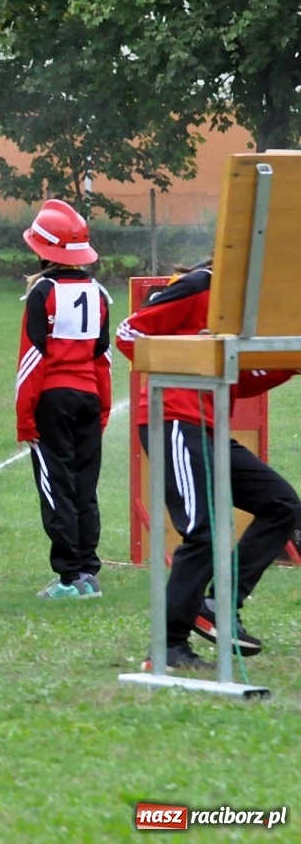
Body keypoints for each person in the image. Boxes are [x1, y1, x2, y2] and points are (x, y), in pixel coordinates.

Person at [116, 260, 301, 670]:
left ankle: (218, 604)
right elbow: (129, 334)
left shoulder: (247, 308)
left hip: (210, 427)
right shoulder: (201, 285)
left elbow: (235, 376)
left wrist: (285, 364)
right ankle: (168, 648)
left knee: (282, 504)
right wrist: (193, 349)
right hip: (174, 420)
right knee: (204, 532)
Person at [16, 198, 112, 600]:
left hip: (51, 401)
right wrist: (104, 407)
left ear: (43, 251)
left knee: (56, 487)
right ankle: (88, 570)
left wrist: (25, 419)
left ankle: (69, 578)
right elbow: (102, 357)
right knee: (84, 486)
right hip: (89, 398)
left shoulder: (43, 292)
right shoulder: (100, 293)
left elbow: (31, 359)